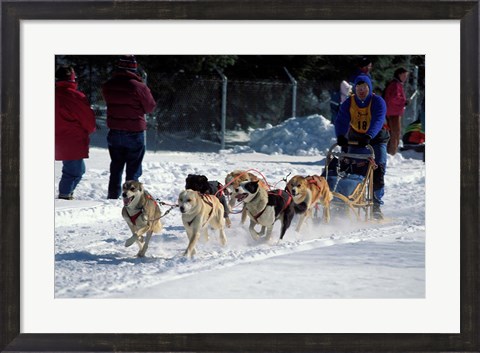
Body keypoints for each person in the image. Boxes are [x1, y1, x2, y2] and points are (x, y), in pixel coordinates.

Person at [334, 74, 389, 220]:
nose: (361, 90)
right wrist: (340, 135)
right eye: (358, 87)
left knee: (378, 168)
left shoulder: (378, 101)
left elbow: (378, 120)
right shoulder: (349, 103)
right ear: (354, 89)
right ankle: (343, 199)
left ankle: (376, 204)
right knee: (352, 166)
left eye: (364, 87)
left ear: (369, 88)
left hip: (376, 138)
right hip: (357, 137)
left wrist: (369, 135)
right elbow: (341, 120)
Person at [102, 55, 156, 199]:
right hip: (134, 131)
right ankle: (132, 198)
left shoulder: (108, 85)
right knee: (133, 168)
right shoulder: (139, 87)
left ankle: (113, 196)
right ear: (134, 68)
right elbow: (150, 107)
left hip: (114, 131)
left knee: (116, 166)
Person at [55, 65, 96, 200]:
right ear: (72, 78)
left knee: (77, 170)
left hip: (59, 138)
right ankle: (65, 196)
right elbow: (88, 120)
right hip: (71, 139)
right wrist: (89, 130)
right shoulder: (75, 97)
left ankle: (66, 194)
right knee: (74, 172)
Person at [384, 67, 409, 155]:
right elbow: (394, 98)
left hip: (393, 111)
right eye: (404, 75)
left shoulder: (396, 84)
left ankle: (391, 151)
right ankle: (392, 152)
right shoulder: (395, 85)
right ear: (399, 75)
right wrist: (404, 101)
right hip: (393, 112)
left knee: (393, 132)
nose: (405, 78)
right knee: (395, 133)